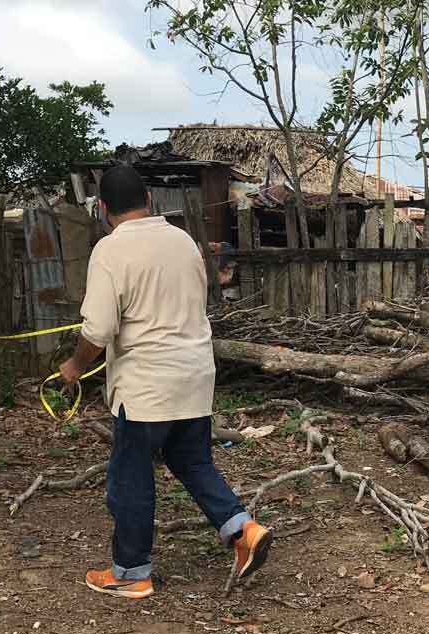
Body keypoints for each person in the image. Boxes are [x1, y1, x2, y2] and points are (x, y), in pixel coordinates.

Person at [59, 164, 271, 599]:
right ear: (150, 200)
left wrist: (75, 366)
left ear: (102, 208)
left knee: (131, 478)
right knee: (192, 462)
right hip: (194, 375)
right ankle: (242, 530)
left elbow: (99, 329)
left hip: (146, 386)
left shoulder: (110, 250)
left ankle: (131, 572)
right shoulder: (183, 241)